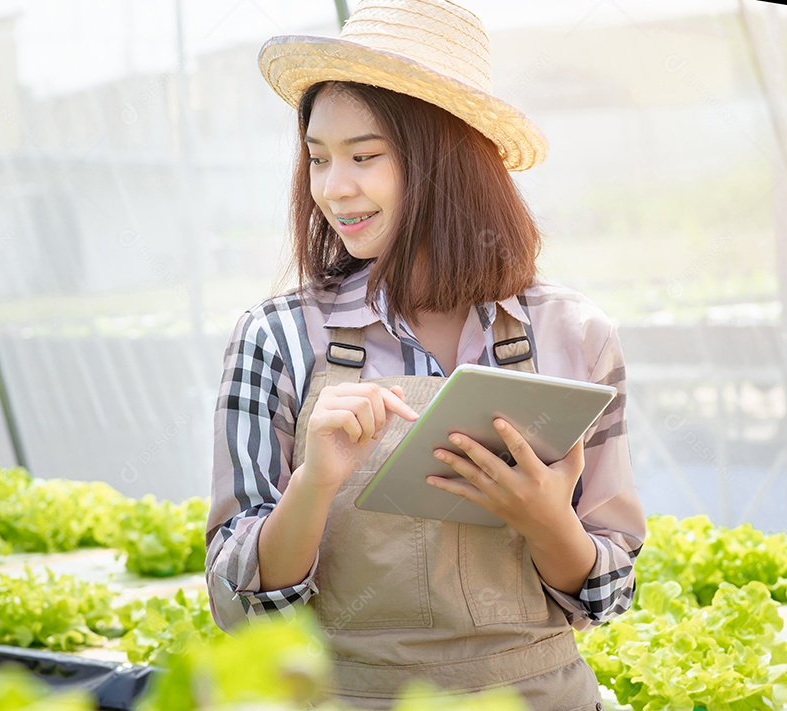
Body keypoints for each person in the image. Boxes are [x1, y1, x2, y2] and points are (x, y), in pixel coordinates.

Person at [204, 1, 646, 709]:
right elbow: (238, 604)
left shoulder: (576, 334)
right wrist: (313, 483)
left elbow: (608, 592)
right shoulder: (275, 337)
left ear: (445, 157)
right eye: (318, 158)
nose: (331, 188)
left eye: (364, 155)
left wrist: (546, 519)